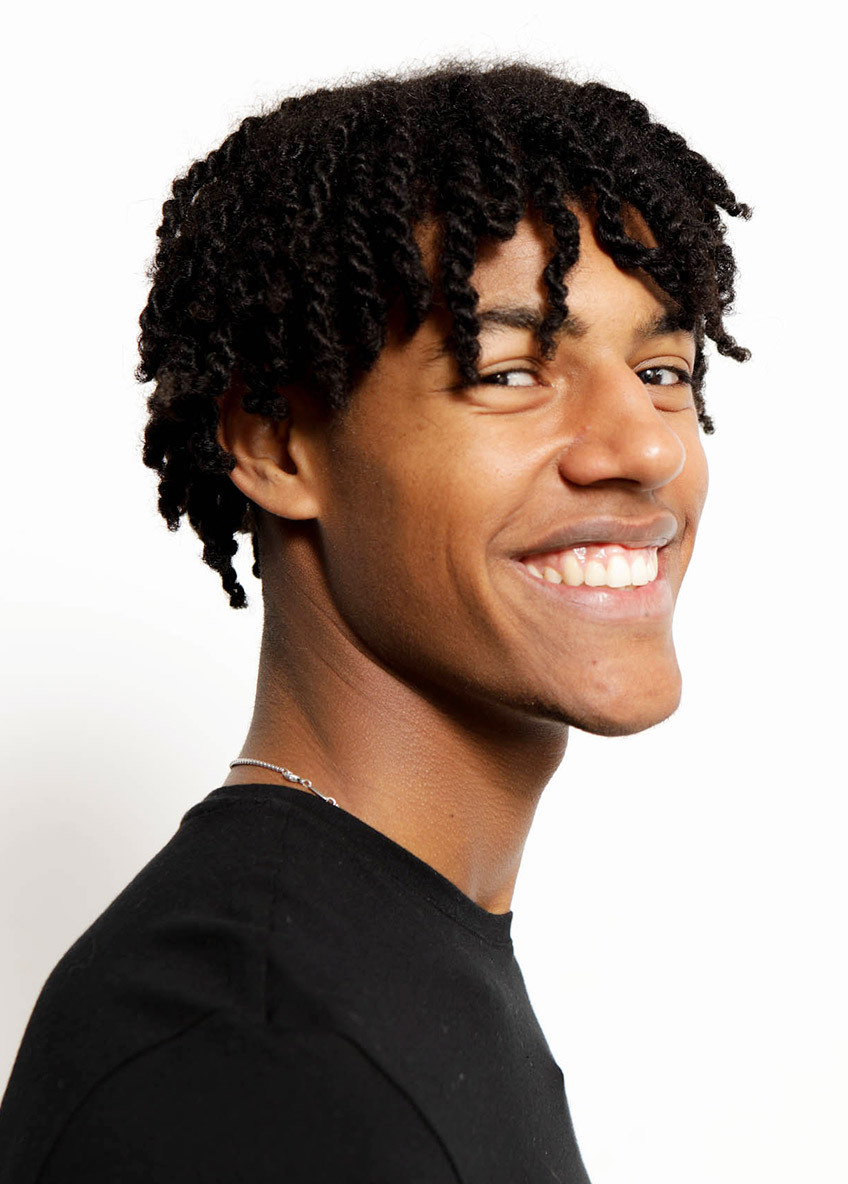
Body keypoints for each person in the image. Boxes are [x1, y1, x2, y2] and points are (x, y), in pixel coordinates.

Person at [0, 60, 750, 1182]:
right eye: (509, 372)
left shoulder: (380, 960)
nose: (646, 444)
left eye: (661, 368)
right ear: (276, 444)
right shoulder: (249, 1059)